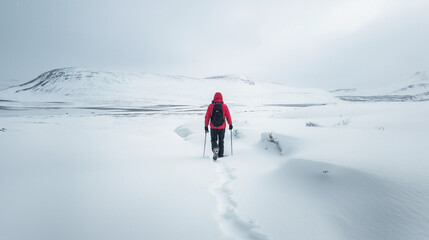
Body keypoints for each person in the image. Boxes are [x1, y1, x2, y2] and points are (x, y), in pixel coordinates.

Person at [205, 92, 233, 160]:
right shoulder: (224, 106)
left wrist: (206, 126)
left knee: (213, 140)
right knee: (221, 141)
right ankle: (221, 155)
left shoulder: (211, 106)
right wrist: (230, 124)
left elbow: (207, 116)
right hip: (222, 127)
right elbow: (228, 116)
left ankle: (215, 149)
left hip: (213, 127)